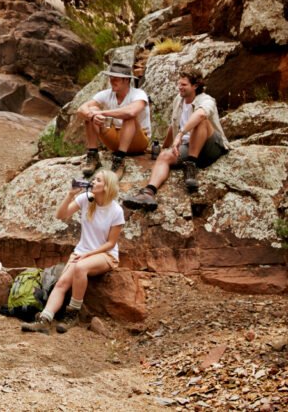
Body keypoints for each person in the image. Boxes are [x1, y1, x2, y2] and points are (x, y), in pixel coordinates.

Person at [21, 170, 124, 334]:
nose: (93, 182)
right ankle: (44, 320)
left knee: (80, 267)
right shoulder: (86, 199)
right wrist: (70, 195)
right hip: (82, 252)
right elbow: (61, 215)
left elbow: (111, 243)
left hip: (106, 255)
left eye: (98, 180)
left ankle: (73, 313)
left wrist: (87, 255)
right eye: (94, 179)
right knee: (62, 283)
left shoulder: (116, 211)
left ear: (106, 187)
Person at [123, 65, 229, 211]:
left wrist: (180, 134)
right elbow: (173, 125)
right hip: (189, 146)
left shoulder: (206, 100)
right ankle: (149, 192)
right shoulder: (178, 100)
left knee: (200, 121)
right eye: (179, 84)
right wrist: (164, 146)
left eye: (184, 84)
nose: (179, 87)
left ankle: (191, 166)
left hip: (211, 147)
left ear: (196, 85)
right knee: (165, 156)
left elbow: (201, 115)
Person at [76, 62, 151, 179]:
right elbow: (81, 109)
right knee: (90, 112)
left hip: (137, 141)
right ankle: (93, 155)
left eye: (116, 79)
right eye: (111, 78)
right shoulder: (106, 94)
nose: (112, 81)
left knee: (129, 117)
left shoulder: (139, 94)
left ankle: (119, 160)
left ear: (126, 80)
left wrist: (101, 113)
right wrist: (91, 115)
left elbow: (131, 112)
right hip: (115, 139)